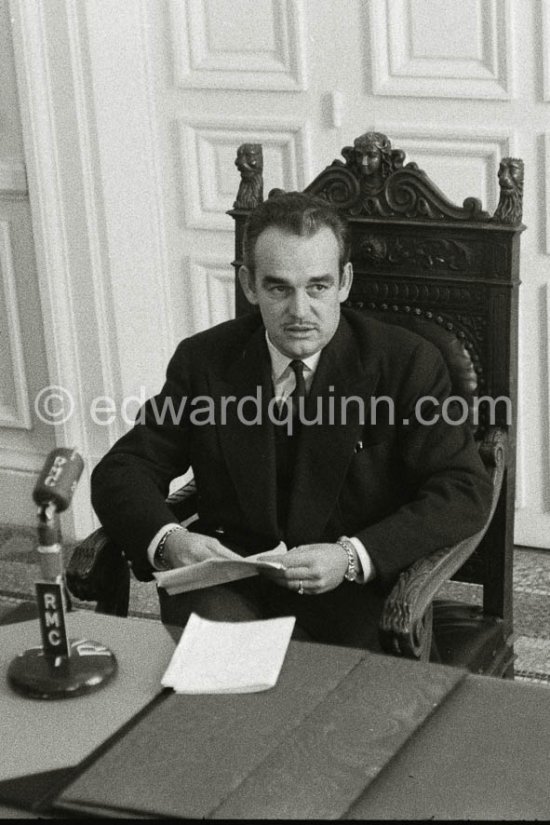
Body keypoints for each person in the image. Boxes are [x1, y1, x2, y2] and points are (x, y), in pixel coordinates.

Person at [91, 192, 492, 650]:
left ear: (344, 282)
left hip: (353, 593)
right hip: (229, 585)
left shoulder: (407, 363)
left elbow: (463, 489)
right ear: (248, 284)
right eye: (279, 288)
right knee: (224, 699)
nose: (300, 311)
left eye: (318, 287)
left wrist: (351, 556)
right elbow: (124, 469)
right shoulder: (204, 361)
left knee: (339, 711)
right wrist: (170, 541)